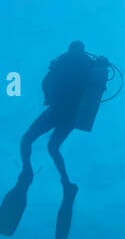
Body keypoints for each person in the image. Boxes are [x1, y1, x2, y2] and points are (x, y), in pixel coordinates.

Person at [20, 40, 95, 196]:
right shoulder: (89, 63)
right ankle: (66, 182)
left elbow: (45, 81)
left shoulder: (63, 61)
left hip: (56, 110)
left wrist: (48, 97)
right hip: (72, 115)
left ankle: (27, 170)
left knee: (27, 139)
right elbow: (97, 87)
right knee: (53, 147)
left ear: (70, 49)